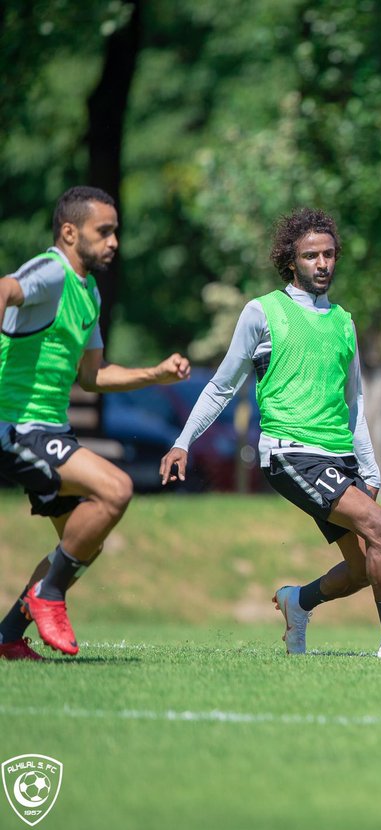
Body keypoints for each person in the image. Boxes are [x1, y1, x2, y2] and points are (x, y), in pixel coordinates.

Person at [159, 208, 381, 660]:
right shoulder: (262, 312)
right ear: (291, 262)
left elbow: (356, 403)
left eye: (328, 255)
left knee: (365, 566)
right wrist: (182, 441)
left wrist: (367, 466)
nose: (322, 264)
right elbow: (221, 386)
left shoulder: (343, 322)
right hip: (290, 452)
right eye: (311, 256)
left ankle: (298, 602)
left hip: (338, 456)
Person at [0, 186, 191, 660]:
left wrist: (155, 373)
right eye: (103, 231)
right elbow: (5, 288)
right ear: (70, 232)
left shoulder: (87, 293)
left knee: (84, 540)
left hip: (47, 428)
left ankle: (6, 637)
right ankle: (48, 596)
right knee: (116, 488)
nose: (113, 242)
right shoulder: (53, 271)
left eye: (115, 232)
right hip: (16, 424)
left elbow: (93, 374)